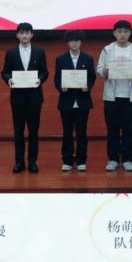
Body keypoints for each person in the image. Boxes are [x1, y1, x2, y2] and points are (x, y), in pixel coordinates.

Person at [97, 20, 132, 172]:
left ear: (130, 33)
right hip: (111, 97)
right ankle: (112, 159)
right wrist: (103, 72)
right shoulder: (107, 49)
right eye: (119, 31)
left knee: (129, 130)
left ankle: (127, 159)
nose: (122, 34)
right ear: (114, 33)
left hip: (130, 97)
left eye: (125, 31)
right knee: (112, 130)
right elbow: (99, 68)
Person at [1, 22, 47, 173]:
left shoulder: (39, 52)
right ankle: (19, 162)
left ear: (32, 35)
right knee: (18, 131)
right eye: (22, 33)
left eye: (27, 33)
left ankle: (32, 162)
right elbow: (5, 72)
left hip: (35, 98)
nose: (24, 35)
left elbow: (45, 72)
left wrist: (40, 79)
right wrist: (9, 80)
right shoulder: (11, 52)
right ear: (17, 35)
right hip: (17, 98)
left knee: (33, 131)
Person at [53, 30, 97, 172]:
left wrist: (87, 86)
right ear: (67, 42)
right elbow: (57, 78)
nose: (74, 43)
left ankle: (81, 160)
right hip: (66, 101)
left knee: (81, 132)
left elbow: (92, 77)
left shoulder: (88, 58)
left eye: (77, 40)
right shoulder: (60, 59)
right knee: (67, 132)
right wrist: (61, 87)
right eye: (71, 40)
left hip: (83, 101)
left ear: (81, 42)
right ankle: (67, 160)